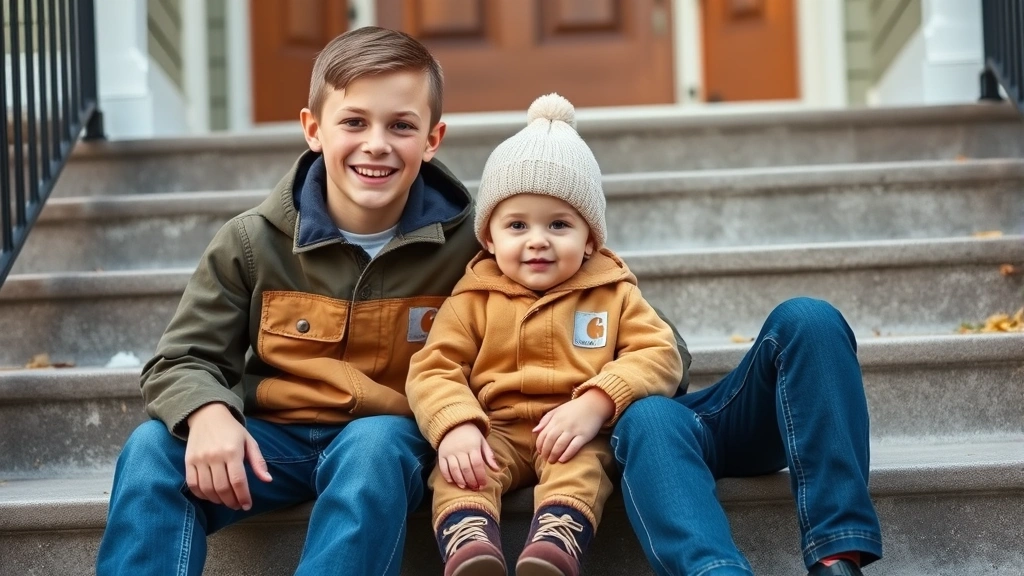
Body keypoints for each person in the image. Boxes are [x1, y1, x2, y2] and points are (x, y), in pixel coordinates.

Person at [95, 27, 483, 575]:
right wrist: (207, 411)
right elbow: (183, 358)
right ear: (313, 129)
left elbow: (595, 302)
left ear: (432, 139)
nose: (377, 143)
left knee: (375, 445)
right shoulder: (252, 242)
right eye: (353, 121)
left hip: (393, 443)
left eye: (401, 125)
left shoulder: (477, 245)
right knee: (153, 449)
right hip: (273, 440)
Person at [405, 93, 685, 576]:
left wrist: (596, 402)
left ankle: (556, 541)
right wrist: (455, 425)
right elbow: (434, 367)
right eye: (517, 225)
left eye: (559, 224)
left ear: (590, 239)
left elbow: (658, 352)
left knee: (581, 469)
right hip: (495, 428)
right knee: (462, 468)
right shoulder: (473, 298)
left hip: (579, 428)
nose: (538, 240)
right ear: (489, 238)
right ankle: (469, 540)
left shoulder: (612, 293)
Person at [611, 294, 883, 576]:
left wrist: (597, 398)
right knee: (649, 416)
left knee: (809, 317)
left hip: (691, 411)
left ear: (590, 247)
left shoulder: (606, 282)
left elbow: (670, 355)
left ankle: (836, 561)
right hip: (648, 433)